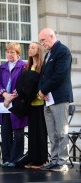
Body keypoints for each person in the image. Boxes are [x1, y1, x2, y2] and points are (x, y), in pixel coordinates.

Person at [38, 28, 73, 172]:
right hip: (48, 99)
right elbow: (43, 76)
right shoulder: (48, 54)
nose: (42, 44)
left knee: (61, 131)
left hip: (59, 98)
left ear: (52, 37)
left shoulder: (63, 51)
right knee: (52, 133)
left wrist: (44, 90)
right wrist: (41, 91)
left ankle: (62, 162)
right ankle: (54, 160)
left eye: (43, 40)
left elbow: (60, 75)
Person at [13, 42, 48, 169]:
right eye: (29, 47)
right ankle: (33, 159)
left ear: (39, 50)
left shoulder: (42, 66)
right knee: (32, 133)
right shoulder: (28, 66)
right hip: (30, 104)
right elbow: (22, 83)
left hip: (39, 104)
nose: (30, 49)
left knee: (40, 133)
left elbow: (42, 82)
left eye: (33, 47)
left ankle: (42, 160)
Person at [0, 42, 28, 167]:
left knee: (18, 132)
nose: (9, 54)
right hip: (4, 103)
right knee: (5, 131)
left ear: (18, 53)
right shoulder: (2, 67)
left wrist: (12, 96)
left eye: (12, 52)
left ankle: (16, 159)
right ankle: (6, 159)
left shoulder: (24, 66)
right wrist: (4, 95)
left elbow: (24, 84)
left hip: (17, 103)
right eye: (7, 52)